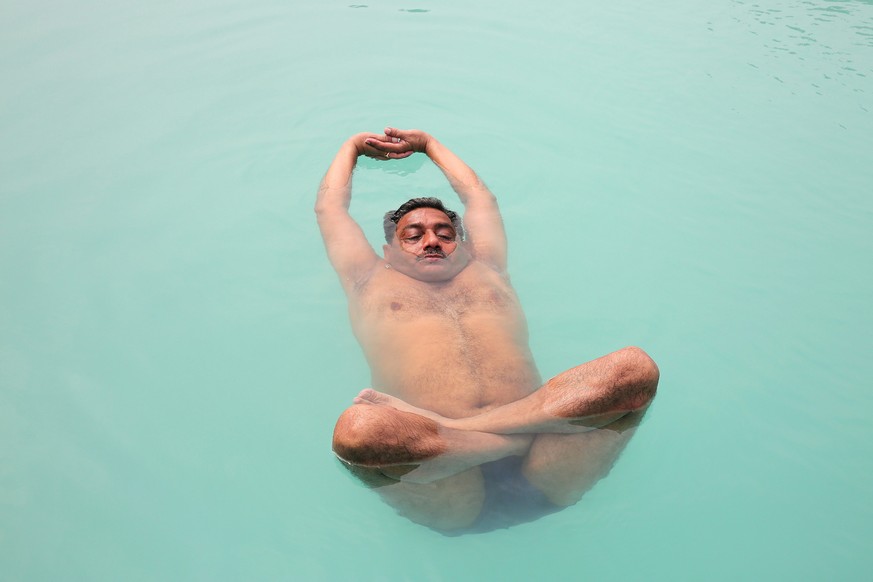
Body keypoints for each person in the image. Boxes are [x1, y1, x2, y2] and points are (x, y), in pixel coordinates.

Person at [315, 127, 659, 533]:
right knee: (358, 432)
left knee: (634, 368)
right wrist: (351, 147)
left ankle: (472, 432)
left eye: (445, 234)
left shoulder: (487, 269)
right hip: (443, 475)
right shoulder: (368, 280)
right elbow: (330, 209)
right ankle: (481, 438)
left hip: (549, 462)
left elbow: (480, 197)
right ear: (389, 251)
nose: (432, 241)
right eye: (414, 235)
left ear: (461, 243)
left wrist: (429, 145)